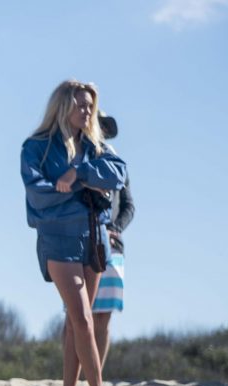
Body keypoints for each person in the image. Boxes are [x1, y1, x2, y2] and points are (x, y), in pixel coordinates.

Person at [21, 80, 126, 386]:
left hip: (93, 240)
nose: (87, 112)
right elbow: (40, 196)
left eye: (90, 106)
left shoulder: (95, 146)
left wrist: (79, 173)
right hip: (57, 240)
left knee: (75, 324)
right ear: (63, 105)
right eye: (81, 105)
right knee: (82, 319)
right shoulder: (36, 147)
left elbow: (119, 175)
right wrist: (85, 187)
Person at [91, 113, 135, 366]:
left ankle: (94, 375)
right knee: (75, 316)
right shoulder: (75, 155)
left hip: (112, 247)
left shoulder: (117, 161)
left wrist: (114, 229)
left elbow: (129, 206)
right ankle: (72, 376)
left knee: (102, 318)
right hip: (81, 243)